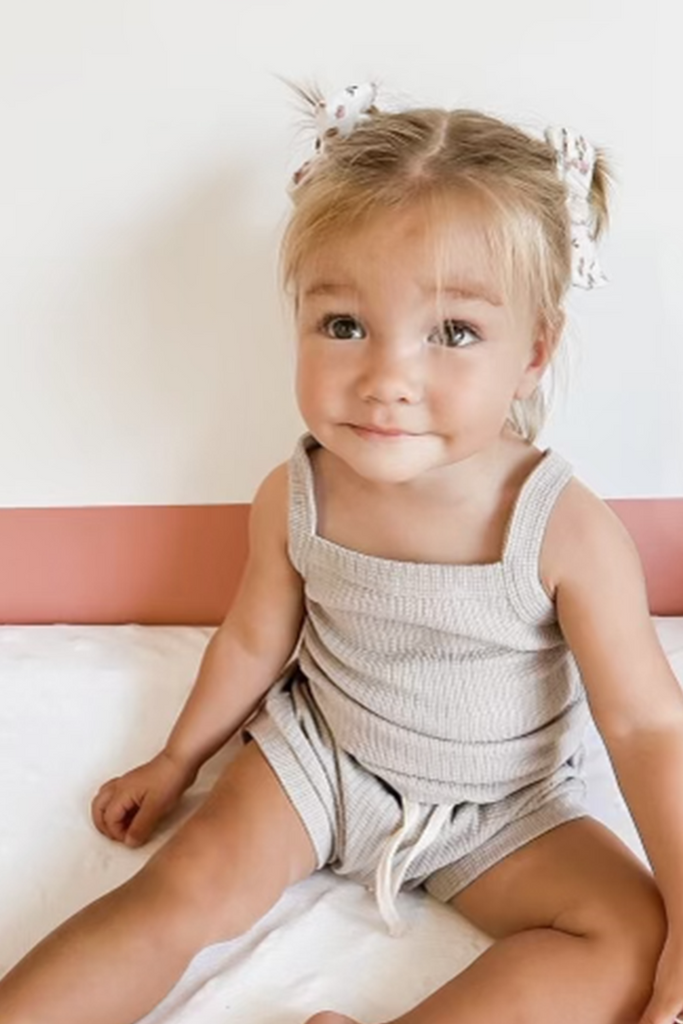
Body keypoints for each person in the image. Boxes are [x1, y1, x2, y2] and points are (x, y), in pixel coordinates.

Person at [1, 82, 682, 1024]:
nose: (386, 378)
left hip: (502, 805)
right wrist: (177, 759)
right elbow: (253, 639)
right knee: (178, 892)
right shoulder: (298, 493)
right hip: (320, 760)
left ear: (532, 352)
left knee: (632, 936)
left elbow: (645, 727)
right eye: (344, 326)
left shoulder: (562, 528)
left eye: (452, 333)